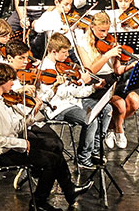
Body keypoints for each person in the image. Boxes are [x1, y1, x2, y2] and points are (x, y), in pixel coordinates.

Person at [0, 54, 91, 211]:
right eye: (11, 80)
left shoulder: (3, 100)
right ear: (2, 82)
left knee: (54, 149)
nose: (13, 83)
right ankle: (38, 203)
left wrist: (32, 115)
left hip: (14, 143)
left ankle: (69, 190)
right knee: (50, 161)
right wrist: (23, 143)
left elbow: (15, 127)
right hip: (4, 152)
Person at [37, 33, 114, 169]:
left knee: (107, 109)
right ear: (54, 52)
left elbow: (75, 91)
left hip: (74, 101)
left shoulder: (62, 66)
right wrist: (78, 82)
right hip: (57, 108)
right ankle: (83, 157)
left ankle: (95, 149)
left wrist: (92, 88)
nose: (67, 56)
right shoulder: (45, 70)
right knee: (91, 120)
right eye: (64, 52)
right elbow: (55, 95)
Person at [82, 12, 139, 148]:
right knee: (120, 104)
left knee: (135, 102)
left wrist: (129, 66)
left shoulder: (110, 41)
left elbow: (117, 70)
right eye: (101, 31)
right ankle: (119, 130)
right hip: (96, 83)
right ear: (92, 27)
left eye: (107, 30)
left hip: (112, 80)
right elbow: (90, 71)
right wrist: (107, 55)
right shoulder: (83, 44)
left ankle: (110, 127)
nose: (105, 34)